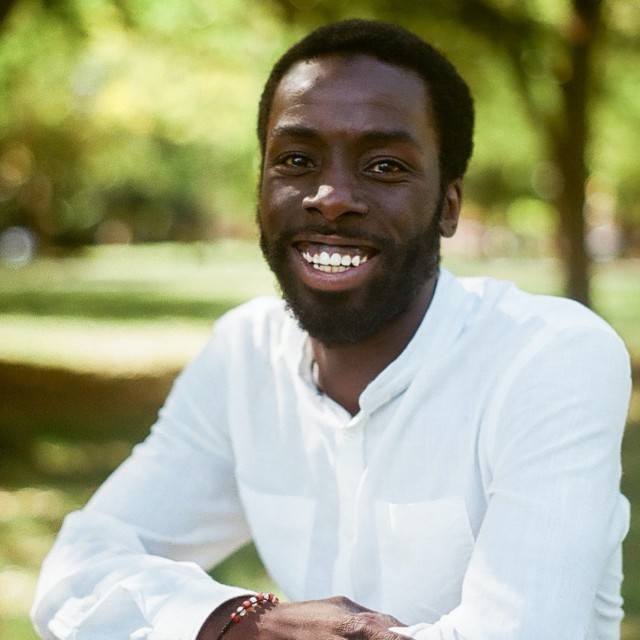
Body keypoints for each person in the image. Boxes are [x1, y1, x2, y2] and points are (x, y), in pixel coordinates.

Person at [31, 18, 631, 640]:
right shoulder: (245, 354)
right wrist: (245, 626)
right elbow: (75, 576)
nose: (331, 196)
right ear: (261, 187)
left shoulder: (547, 357)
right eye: (296, 159)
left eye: (384, 166)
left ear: (448, 206)